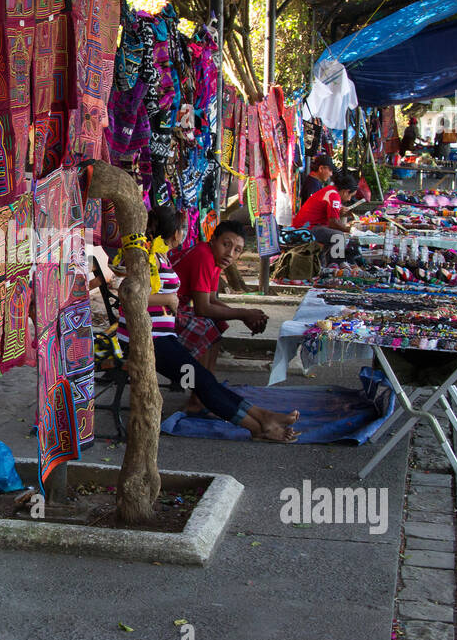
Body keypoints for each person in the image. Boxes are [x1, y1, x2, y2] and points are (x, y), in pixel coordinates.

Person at [116, 208, 299, 442]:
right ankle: (258, 425)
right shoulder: (143, 256)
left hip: (161, 338)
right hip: (146, 342)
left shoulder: (157, 255)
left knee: (204, 380)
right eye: (183, 229)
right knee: (202, 381)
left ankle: (262, 419)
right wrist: (168, 300)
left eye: (237, 249)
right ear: (177, 233)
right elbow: (126, 292)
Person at [173, 220, 270, 382]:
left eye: (237, 250)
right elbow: (202, 308)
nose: (230, 253)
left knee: (218, 324)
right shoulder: (203, 256)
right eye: (226, 244)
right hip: (160, 310)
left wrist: (246, 315)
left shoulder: (216, 260)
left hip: (174, 307)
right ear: (213, 240)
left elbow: (211, 299)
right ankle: (198, 397)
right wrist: (244, 314)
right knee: (204, 328)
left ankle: (209, 385)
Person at [292, 168, 359, 257]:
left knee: (336, 234)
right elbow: (333, 223)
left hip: (308, 226)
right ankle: (336, 264)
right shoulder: (334, 195)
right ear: (345, 191)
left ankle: (324, 261)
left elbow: (332, 217)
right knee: (338, 236)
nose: (349, 199)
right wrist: (350, 230)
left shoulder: (331, 191)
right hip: (306, 228)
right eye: (350, 195)